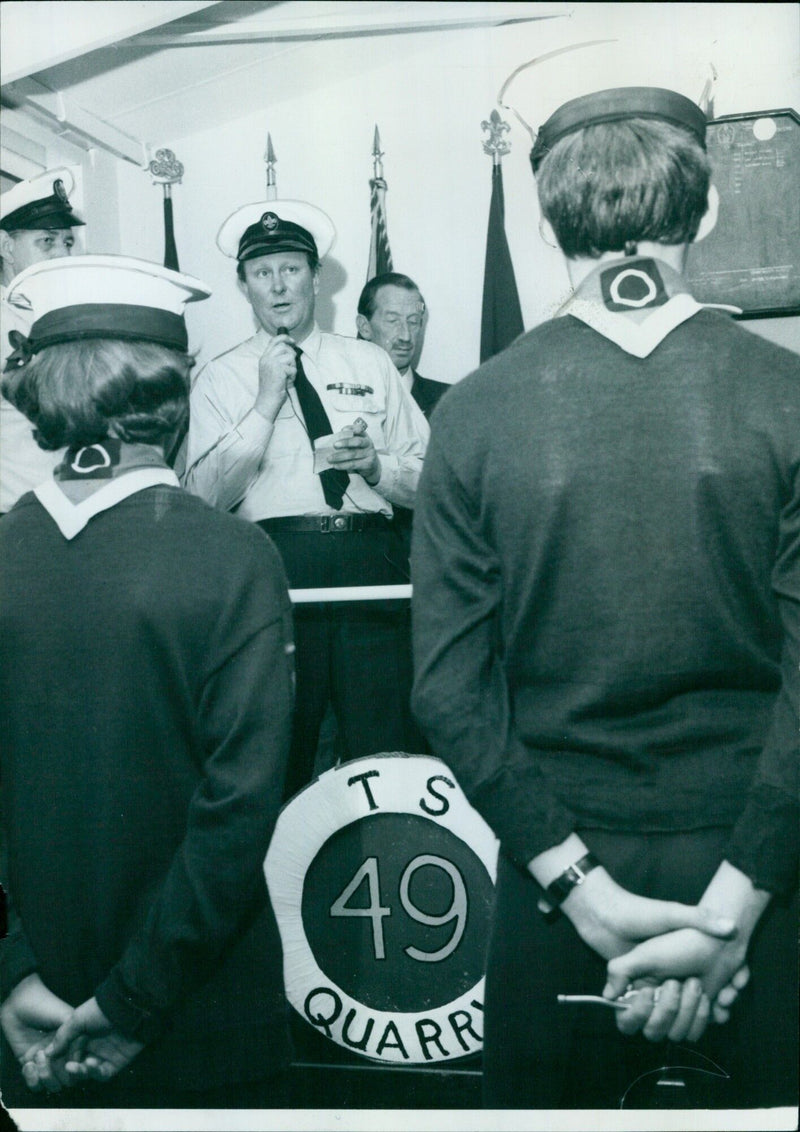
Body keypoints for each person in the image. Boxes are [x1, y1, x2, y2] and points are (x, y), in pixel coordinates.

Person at [411, 86, 799, 1109]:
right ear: (706, 213)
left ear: (546, 225)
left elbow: (448, 694)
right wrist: (725, 913)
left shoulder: (471, 412)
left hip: (557, 876)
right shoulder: (786, 393)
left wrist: (587, 902)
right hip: (762, 860)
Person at [0, 255, 295, 1109]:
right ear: (177, 390)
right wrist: (130, 1004)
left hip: (27, 1020)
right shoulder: (235, 555)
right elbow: (237, 812)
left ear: (40, 396)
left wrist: (10, 969)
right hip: (204, 1018)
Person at [184, 201, 430, 798]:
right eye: (262, 273)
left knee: (386, 744)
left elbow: (433, 481)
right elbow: (203, 496)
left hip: (371, 570)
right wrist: (265, 403)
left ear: (315, 278)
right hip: (274, 570)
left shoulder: (369, 362)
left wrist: (376, 466)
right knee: (280, 749)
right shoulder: (220, 377)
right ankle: (271, 891)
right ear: (243, 286)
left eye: (291, 269)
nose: (279, 285)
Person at [0, 168, 84, 513]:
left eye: (67, 242)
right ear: (6, 247)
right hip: (13, 515)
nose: (62, 255)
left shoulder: (70, 320)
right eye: (46, 241)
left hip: (76, 509)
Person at [356, 272, 449, 420]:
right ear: (364, 327)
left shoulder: (448, 401)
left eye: (413, 322)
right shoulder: (335, 397)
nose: (405, 336)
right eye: (393, 320)